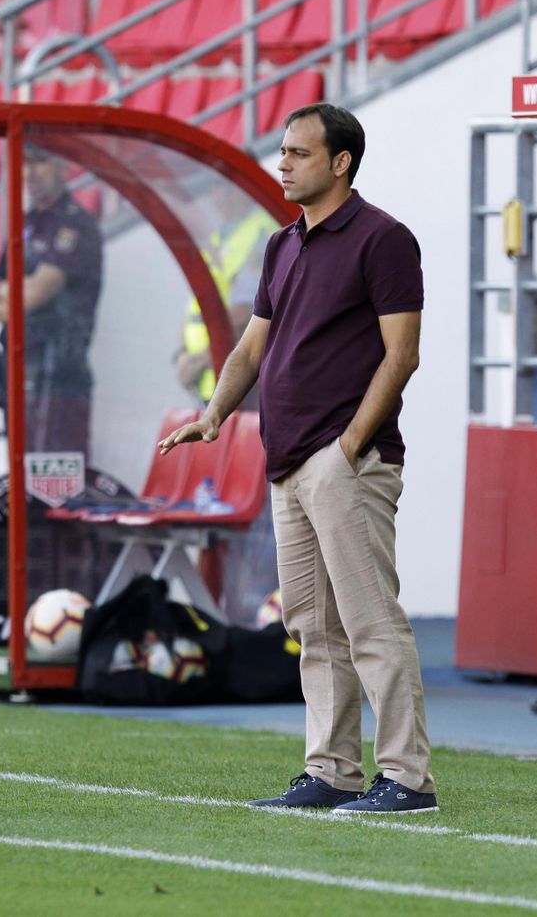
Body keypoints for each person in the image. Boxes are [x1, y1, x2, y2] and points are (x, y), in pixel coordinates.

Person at [158, 103, 436, 814]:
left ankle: (407, 778)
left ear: (341, 162)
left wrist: (348, 447)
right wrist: (214, 415)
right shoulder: (284, 245)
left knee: (371, 621)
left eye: (298, 153)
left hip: (344, 461)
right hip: (286, 462)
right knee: (311, 627)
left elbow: (401, 355)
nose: (283, 163)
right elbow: (252, 347)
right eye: (282, 151)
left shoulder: (385, 240)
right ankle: (333, 771)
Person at [0, 144, 102, 465]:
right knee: (22, 473)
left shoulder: (75, 225)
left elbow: (33, 295)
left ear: (62, 166)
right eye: (25, 163)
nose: (30, 172)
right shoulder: (25, 222)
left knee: (56, 478)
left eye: (40, 161)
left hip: (58, 377)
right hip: (17, 371)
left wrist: (10, 296)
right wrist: (16, 297)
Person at [177, 206, 274, 404]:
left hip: (240, 384)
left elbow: (249, 311)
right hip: (209, 381)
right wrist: (182, 354)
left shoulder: (260, 235)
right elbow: (195, 307)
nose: (214, 193)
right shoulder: (220, 236)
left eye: (220, 185)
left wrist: (202, 359)